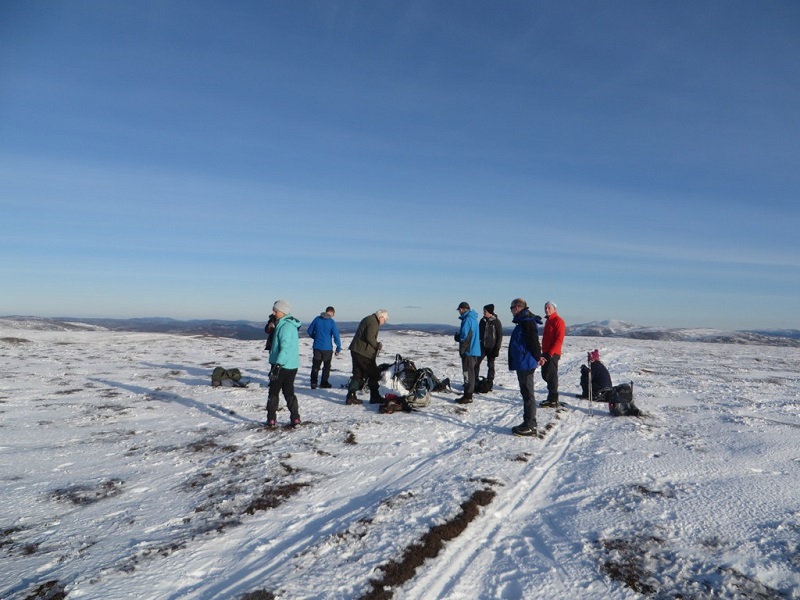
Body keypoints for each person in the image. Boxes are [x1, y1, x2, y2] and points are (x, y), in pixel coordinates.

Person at [508, 298, 542, 437]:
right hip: (523, 362)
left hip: (526, 362)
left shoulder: (527, 322)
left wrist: (538, 357)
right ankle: (527, 422)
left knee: (528, 393)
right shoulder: (523, 321)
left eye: (511, 308)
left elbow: (533, 342)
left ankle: (530, 425)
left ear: (517, 308)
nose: (511, 311)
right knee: (526, 393)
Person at [266, 300, 302, 428]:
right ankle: (295, 418)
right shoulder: (287, 324)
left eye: (276, 311)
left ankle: (271, 419)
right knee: (288, 392)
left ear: (283, 312)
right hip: (292, 365)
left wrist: (277, 366)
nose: (274, 313)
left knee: (273, 392)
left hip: (282, 365)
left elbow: (285, 349)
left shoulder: (285, 327)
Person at [346, 309, 389, 405]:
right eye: (385, 320)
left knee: (358, 374)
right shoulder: (373, 322)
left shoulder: (369, 319)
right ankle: (375, 397)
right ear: (381, 317)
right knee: (374, 374)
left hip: (356, 350)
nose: (384, 322)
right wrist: (377, 345)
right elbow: (369, 337)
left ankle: (351, 396)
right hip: (363, 352)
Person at [307, 306, 342, 389]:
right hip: (327, 348)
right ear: (332, 313)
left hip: (317, 347)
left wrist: (315, 337)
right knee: (326, 366)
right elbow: (336, 335)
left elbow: (309, 331)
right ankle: (324, 382)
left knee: (316, 365)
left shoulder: (317, 319)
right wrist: (338, 347)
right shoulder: (331, 322)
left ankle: (313, 382)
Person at [539, 301, 566, 408]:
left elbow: (559, 339)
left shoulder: (558, 321)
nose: (546, 309)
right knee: (546, 375)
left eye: (549, 308)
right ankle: (551, 397)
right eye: (545, 307)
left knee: (551, 375)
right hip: (546, 352)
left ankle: (553, 399)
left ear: (554, 309)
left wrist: (551, 353)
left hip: (552, 353)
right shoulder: (548, 321)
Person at [454, 301, 481, 404]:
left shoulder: (467, 319)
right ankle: (469, 393)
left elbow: (465, 336)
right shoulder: (474, 319)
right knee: (471, 373)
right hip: (474, 350)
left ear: (461, 309)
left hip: (469, 351)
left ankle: (468, 396)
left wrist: (462, 349)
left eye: (459, 310)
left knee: (467, 373)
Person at [475, 304, 503, 385]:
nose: (484, 312)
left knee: (490, 365)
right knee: (476, 362)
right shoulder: (482, 321)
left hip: (492, 347)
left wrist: (497, 349)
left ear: (490, 311)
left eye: (485, 311)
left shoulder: (496, 322)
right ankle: (475, 379)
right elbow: (478, 332)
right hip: (482, 346)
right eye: (483, 311)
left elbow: (499, 336)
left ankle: (489, 381)